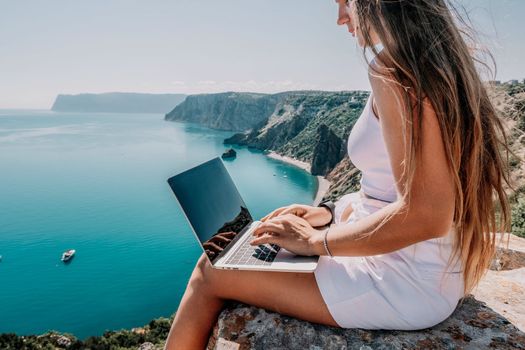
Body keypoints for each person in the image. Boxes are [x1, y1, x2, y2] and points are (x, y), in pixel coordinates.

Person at [165, 0, 513, 348]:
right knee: (244, 251)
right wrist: (327, 212)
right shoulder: (433, 65)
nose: (340, 18)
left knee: (210, 271)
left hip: (399, 281)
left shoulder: (393, 71)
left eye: (346, 2)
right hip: (423, 271)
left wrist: (317, 242)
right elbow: (384, 190)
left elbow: (427, 214)